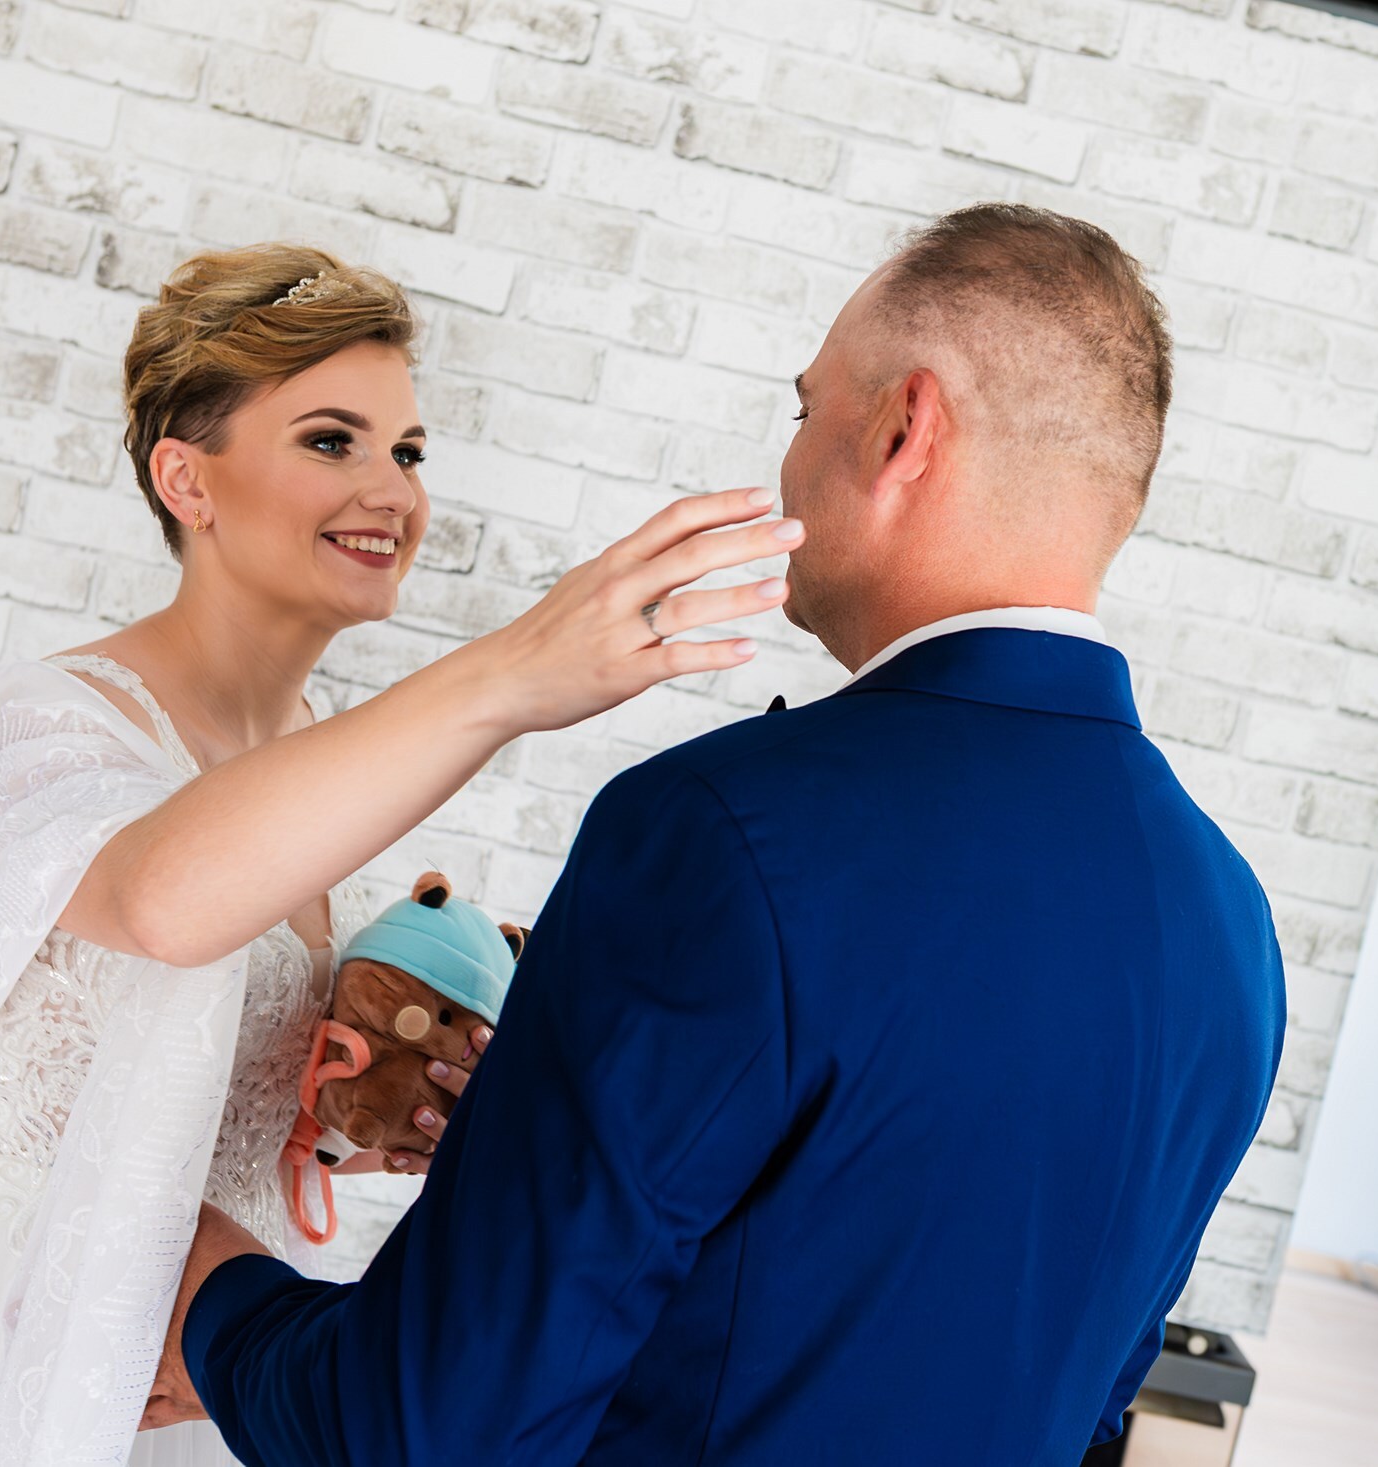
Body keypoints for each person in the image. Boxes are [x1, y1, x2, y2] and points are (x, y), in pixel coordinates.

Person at [152, 204, 1289, 1465]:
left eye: (804, 411)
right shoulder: (1230, 928)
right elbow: (1073, 1391)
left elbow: (429, 1429)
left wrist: (211, 1300)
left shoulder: (726, 833)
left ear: (903, 431)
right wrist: (539, 1133)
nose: (789, 459)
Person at [0, 244, 797, 1467]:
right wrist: (510, 673)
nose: (392, 492)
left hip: (189, 1346)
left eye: (407, 452)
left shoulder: (321, 753)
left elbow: (199, 1091)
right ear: (186, 479)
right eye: (333, 442)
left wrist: (367, 1112)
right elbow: (163, 902)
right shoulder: (46, 721)